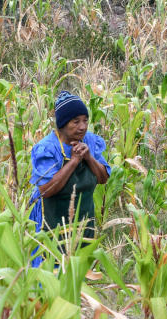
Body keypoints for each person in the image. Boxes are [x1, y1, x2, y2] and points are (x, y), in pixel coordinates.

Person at [28, 91, 111, 256]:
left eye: (85, 121)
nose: (83, 126)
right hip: (53, 223)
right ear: (62, 124)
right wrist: (73, 162)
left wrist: (88, 158)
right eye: (76, 121)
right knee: (53, 270)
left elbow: (103, 178)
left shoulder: (90, 141)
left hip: (83, 223)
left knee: (79, 269)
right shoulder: (48, 148)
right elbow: (45, 189)